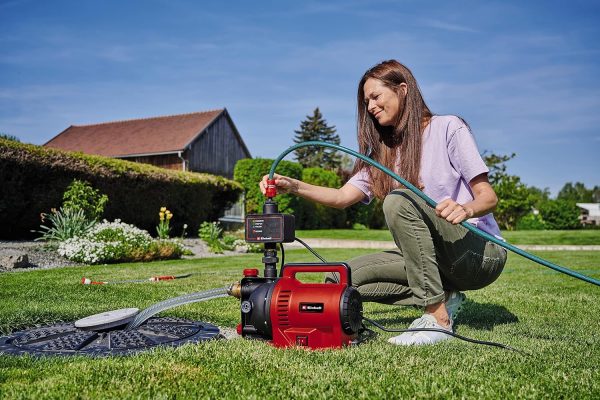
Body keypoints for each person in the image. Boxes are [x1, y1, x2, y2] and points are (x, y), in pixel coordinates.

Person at [259, 60, 507, 346]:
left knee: (399, 199)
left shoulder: (448, 127)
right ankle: (445, 296)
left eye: (376, 97)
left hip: (478, 253)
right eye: (366, 102)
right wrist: (294, 186)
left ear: (403, 90)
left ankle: (437, 318)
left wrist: (466, 208)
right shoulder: (382, 154)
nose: (371, 107)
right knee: (339, 280)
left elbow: (488, 197)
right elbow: (341, 197)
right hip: (438, 262)